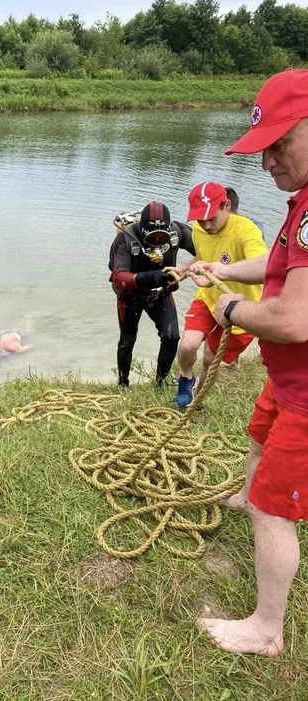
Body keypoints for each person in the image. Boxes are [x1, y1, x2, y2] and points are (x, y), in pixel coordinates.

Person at [189, 67, 308, 656]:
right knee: (256, 435)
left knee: (273, 511)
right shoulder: (302, 202)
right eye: (262, 148)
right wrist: (225, 271)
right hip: (289, 382)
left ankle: (265, 629)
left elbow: (293, 320)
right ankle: (246, 493)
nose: (267, 162)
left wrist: (230, 308)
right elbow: (280, 266)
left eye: (279, 143)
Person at [169, 181, 267, 408]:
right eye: (200, 219)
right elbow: (204, 256)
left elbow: (265, 267)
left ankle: (196, 401)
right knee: (187, 346)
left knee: (209, 360)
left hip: (240, 308)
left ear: (226, 205)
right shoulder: (199, 230)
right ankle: (186, 379)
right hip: (208, 297)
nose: (206, 224)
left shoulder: (247, 230)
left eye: (211, 218)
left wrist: (224, 272)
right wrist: (184, 269)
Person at [108, 200, 195, 387]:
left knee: (172, 337)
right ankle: (123, 383)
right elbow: (118, 277)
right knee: (127, 340)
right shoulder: (126, 239)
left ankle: (160, 383)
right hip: (130, 296)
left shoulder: (177, 232)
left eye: (161, 237)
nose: (157, 241)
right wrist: (154, 277)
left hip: (160, 293)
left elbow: (207, 248)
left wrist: (185, 270)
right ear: (142, 229)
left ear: (169, 229)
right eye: (152, 237)